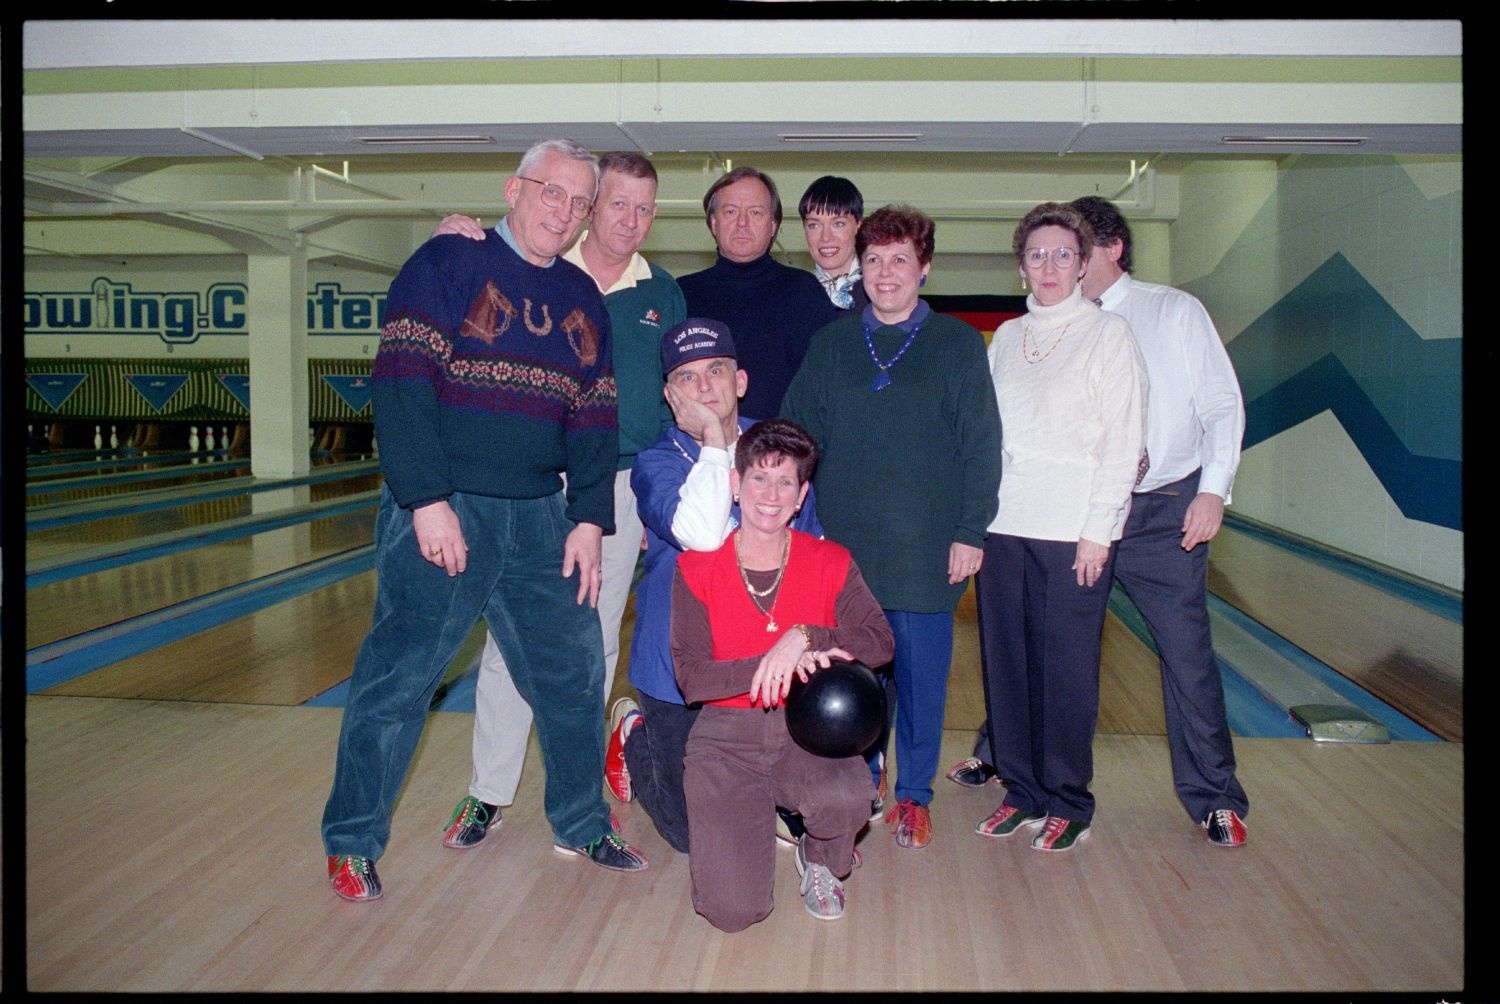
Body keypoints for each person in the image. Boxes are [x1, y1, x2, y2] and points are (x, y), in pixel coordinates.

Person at [321, 138, 647, 903]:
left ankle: (580, 819)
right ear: (514, 189)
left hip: (542, 513)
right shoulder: (445, 264)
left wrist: (589, 518)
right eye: (550, 192)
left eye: (577, 202)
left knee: (572, 676)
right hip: (448, 506)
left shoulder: (580, 295)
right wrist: (425, 499)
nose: (562, 211)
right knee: (398, 682)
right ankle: (351, 842)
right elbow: (401, 380)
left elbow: (595, 415)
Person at [425, 152, 687, 848]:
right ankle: (489, 791)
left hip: (621, 489)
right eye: (618, 204)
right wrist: (460, 229)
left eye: (645, 208)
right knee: (512, 645)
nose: (631, 220)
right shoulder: (533, 267)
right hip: (537, 483)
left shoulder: (662, 292)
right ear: (589, 208)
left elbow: (678, 400)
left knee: (591, 641)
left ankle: (576, 790)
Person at [781, 205, 1002, 850]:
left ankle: (915, 796)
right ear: (860, 268)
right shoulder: (831, 344)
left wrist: (971, 531)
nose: (885, 273)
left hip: (928, 547)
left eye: (899, 259)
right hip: (845, 551)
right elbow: (798, 434)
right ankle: (867, 779)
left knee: (922, 678)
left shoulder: (958, 345)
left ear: (923, 267)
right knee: (855, 676)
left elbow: (981, 446)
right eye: (873, 260)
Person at [1071, 194, 1251, 847]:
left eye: (1077, 248)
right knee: (1057, 647)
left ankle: (1216, 797)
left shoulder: (1173, 311)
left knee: (1186, 654)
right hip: (1086, 510)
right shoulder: (1064, 323)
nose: (1065, 262)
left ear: (1113, 247)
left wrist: (1213, 491)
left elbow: (1222, 405)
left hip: (1163, 510)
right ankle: (1023, 770)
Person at [607, 318, 824, 854]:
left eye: (717, 371)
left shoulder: (780, 451)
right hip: (678, 659)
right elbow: (703, 538)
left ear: (741, 381)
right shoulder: (656, 462)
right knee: (687, 836)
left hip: (760, 654)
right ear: (669, 394)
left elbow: (812, 556)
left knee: (765, 797)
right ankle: (633, 733)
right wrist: (711, 439)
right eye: (687, 377)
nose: (704, 387)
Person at [671, 418, 894, 930]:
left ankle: (820, 860)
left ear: (801, 495)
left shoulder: (830, 560)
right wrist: (772, 664)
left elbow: (880, 641)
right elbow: (693, 677)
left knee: (849, 795)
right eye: (758, 478)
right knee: (732, 913)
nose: (770, 495)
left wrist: (807, 637)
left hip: (808, 734)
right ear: (735, 484)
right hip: (726, 740)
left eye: (785, 482)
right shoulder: (695, 570)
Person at [973, 201, 1146, 852]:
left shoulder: (1109, 336)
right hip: (1003, 525)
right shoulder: (1009, 339)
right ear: (1022, 266)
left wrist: (1099, 531)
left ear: (1083, 266)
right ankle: (1022, 790)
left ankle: (1069, 798)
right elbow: (986, 438)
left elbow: (1123, 440)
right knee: (1008, 666)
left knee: (1066, 670)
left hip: (1073, 530)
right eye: (1037, 254)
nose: (1049, 265)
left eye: (1063, 254)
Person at [678, 167, 837, 420]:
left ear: (773, 224)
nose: (742, 223)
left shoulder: (804, 293)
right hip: (701, 451)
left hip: (785, 451)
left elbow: (831, 386)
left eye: (755, 212)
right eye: (730, 212)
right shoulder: (681, 295)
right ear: (713, 222)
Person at [798, 175, 867, 312]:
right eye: (814, 225)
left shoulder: (881, 292)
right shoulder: (793, 296)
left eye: (838, 224)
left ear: (858, 227)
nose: (826, 237)